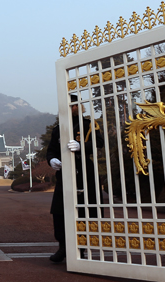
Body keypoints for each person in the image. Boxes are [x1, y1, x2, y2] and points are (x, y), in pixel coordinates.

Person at [46, 96, 103, 263]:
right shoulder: (58, 129)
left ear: (78, 106)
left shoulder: (89, 124)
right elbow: (51, 150)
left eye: (70, 105)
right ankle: (63, 246)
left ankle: (82, 248)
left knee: (84, 210)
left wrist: (81, 147)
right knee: (59, 211)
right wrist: (52, 160)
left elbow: (99, 143)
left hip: (84, 173)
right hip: (64, 174)